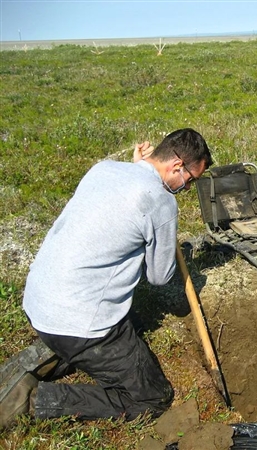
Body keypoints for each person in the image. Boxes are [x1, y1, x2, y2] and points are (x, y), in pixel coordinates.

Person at [0, 128, 213, 429]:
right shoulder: (161, 202)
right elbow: (159, 277)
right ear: (176, 166)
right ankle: (34, 399)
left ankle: (45, 355)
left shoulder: (104, 169)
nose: (189, 187)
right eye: (191, 179)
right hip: (81, 323)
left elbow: (121, 202)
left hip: (39, 303)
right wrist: (162, 223)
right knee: (152, 398)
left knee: (134, 321)